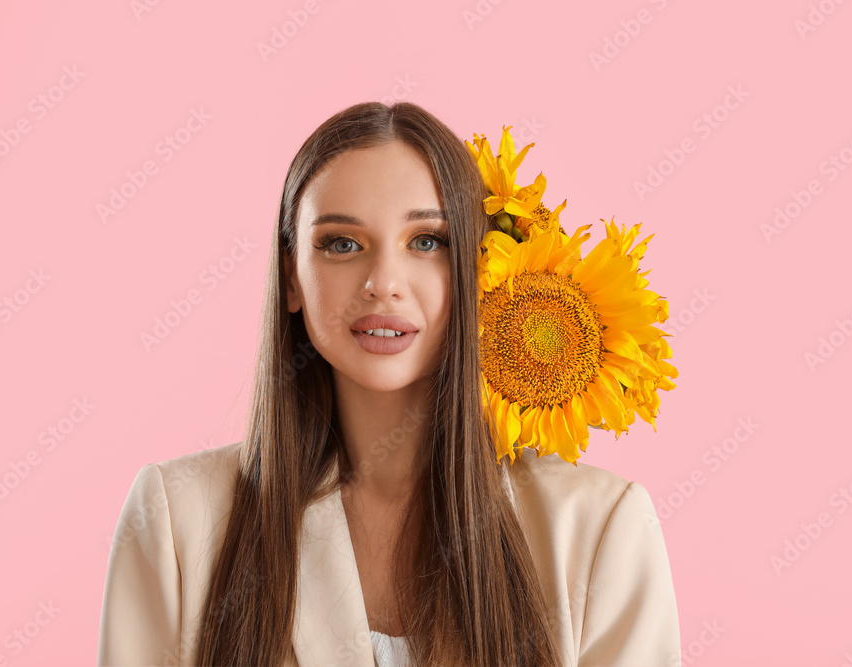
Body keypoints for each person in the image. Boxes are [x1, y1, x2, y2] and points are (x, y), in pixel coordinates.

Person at [97, 101, 681, 666]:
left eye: (427, 242)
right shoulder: (177, 519)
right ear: (292, 279)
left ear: (483, 269)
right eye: (342, 244)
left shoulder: (602, 528)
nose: (383, 283)